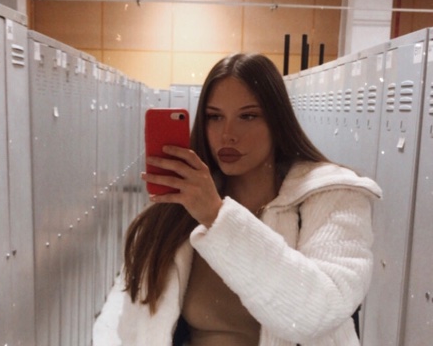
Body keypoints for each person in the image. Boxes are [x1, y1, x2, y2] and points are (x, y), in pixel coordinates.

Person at [93, 53, 381, 346]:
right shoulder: (179, 210)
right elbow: (130, 318)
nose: (228, 134)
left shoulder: (334, 195)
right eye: (215, 117)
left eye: (248, 116)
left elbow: (318, 313)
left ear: (277, 121)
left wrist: (217, 217)